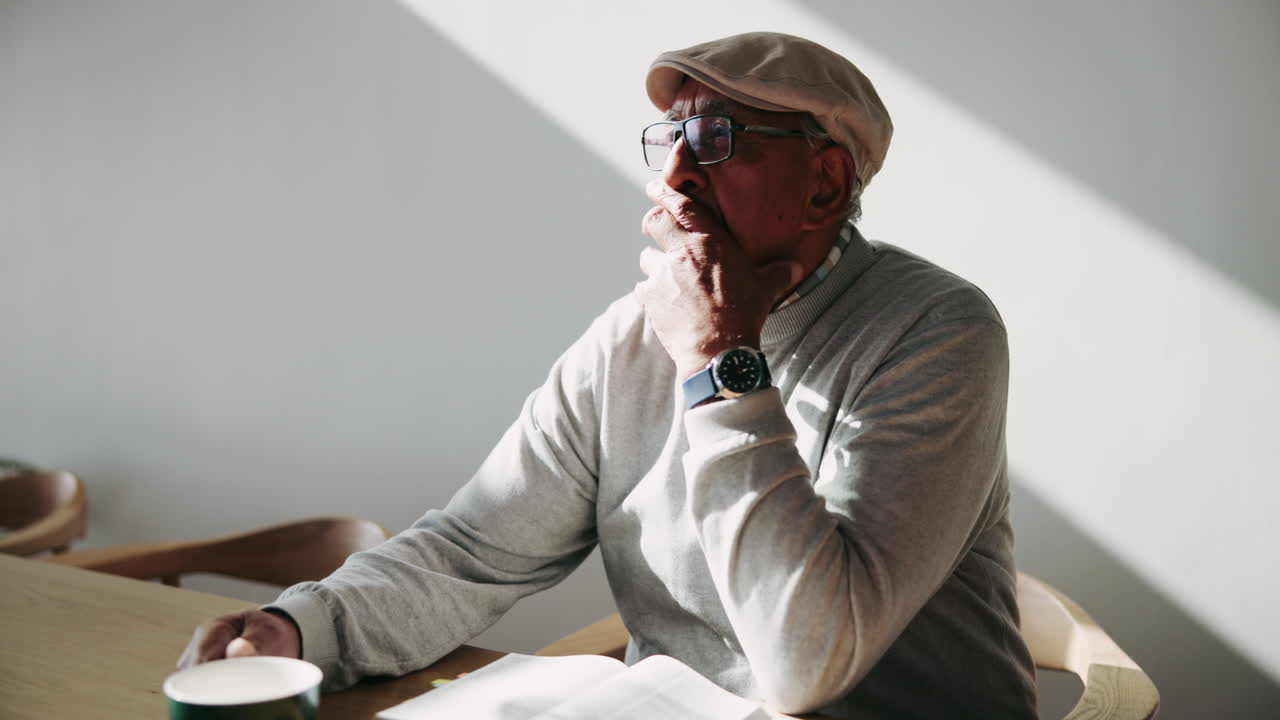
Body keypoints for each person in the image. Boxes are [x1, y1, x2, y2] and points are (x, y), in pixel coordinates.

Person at [180, 32, 1037, 719]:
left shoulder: (937, 332)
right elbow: (472, 549)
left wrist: (718, 361)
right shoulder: (631, 339)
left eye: (716, 137)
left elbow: (809, 663)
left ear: (823, 182)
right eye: (667, 137)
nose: (674, 172)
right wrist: (300, 627)